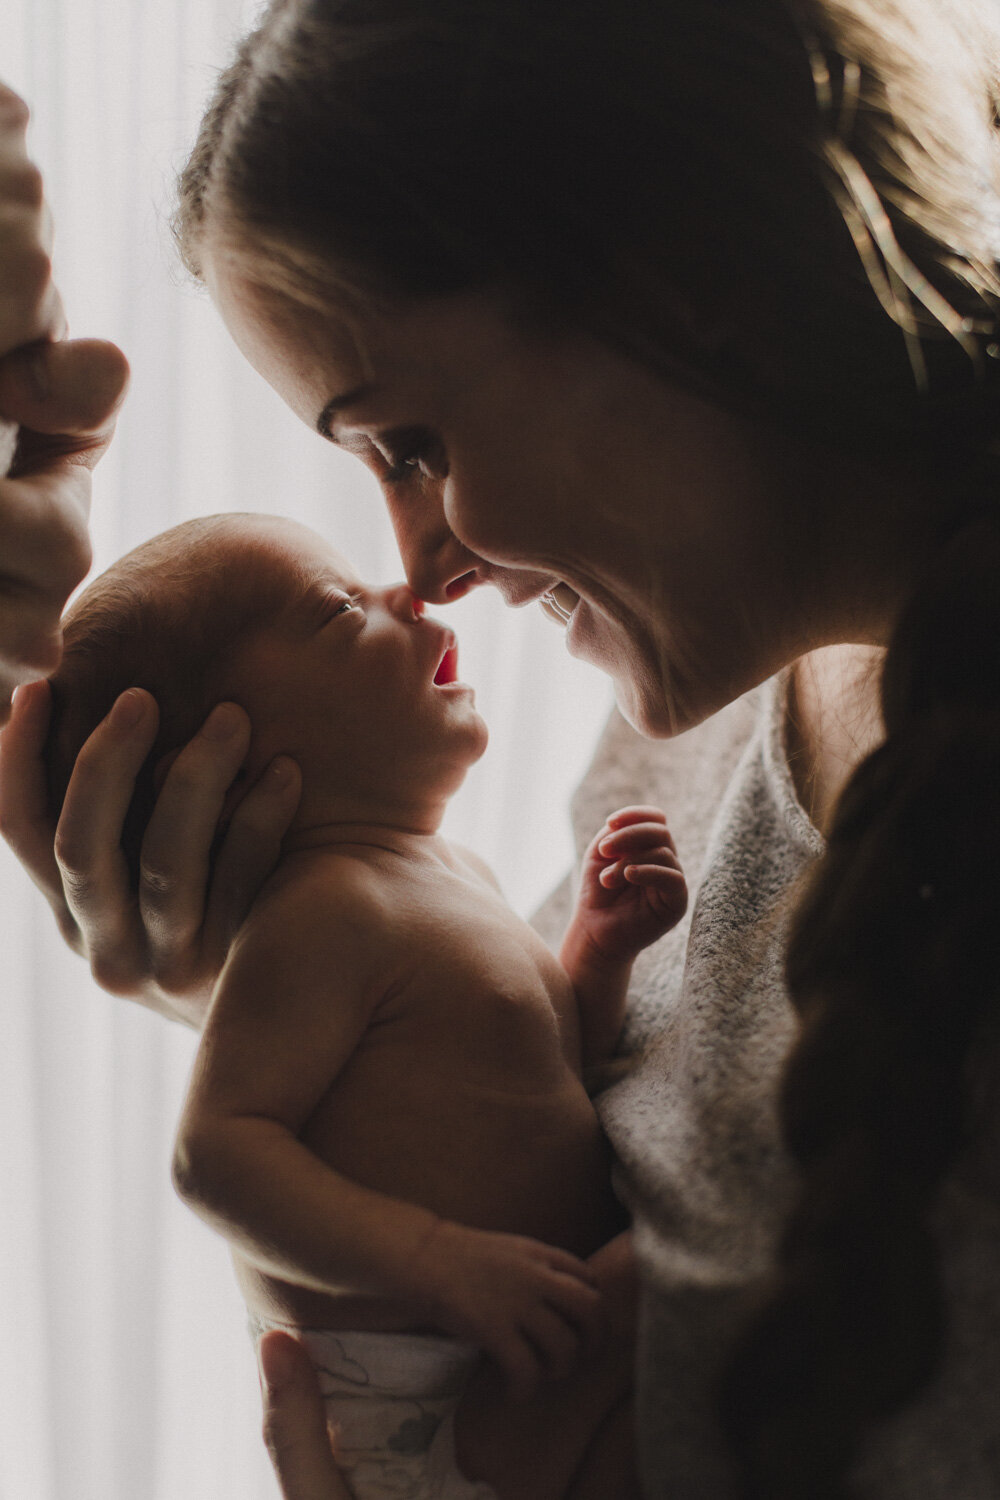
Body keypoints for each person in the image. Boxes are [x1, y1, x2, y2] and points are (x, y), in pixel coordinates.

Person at [3, 0, 1000, 1494]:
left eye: (412, 445)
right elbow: (503, 1092)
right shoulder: (700, 715)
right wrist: (240, 975)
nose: (425, 566)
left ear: (688, 287)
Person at [44, 509, 685, 1499]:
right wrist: (434, 1262)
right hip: (432, 1396)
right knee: (677, 1277)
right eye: (341, 613)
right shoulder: (321, 917)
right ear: (224, 760)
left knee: (669, 1321)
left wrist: (595, 955)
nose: (407, 593)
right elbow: (213, 1156)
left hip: (496, 1350)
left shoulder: (443, 872)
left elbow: (548, 1074)